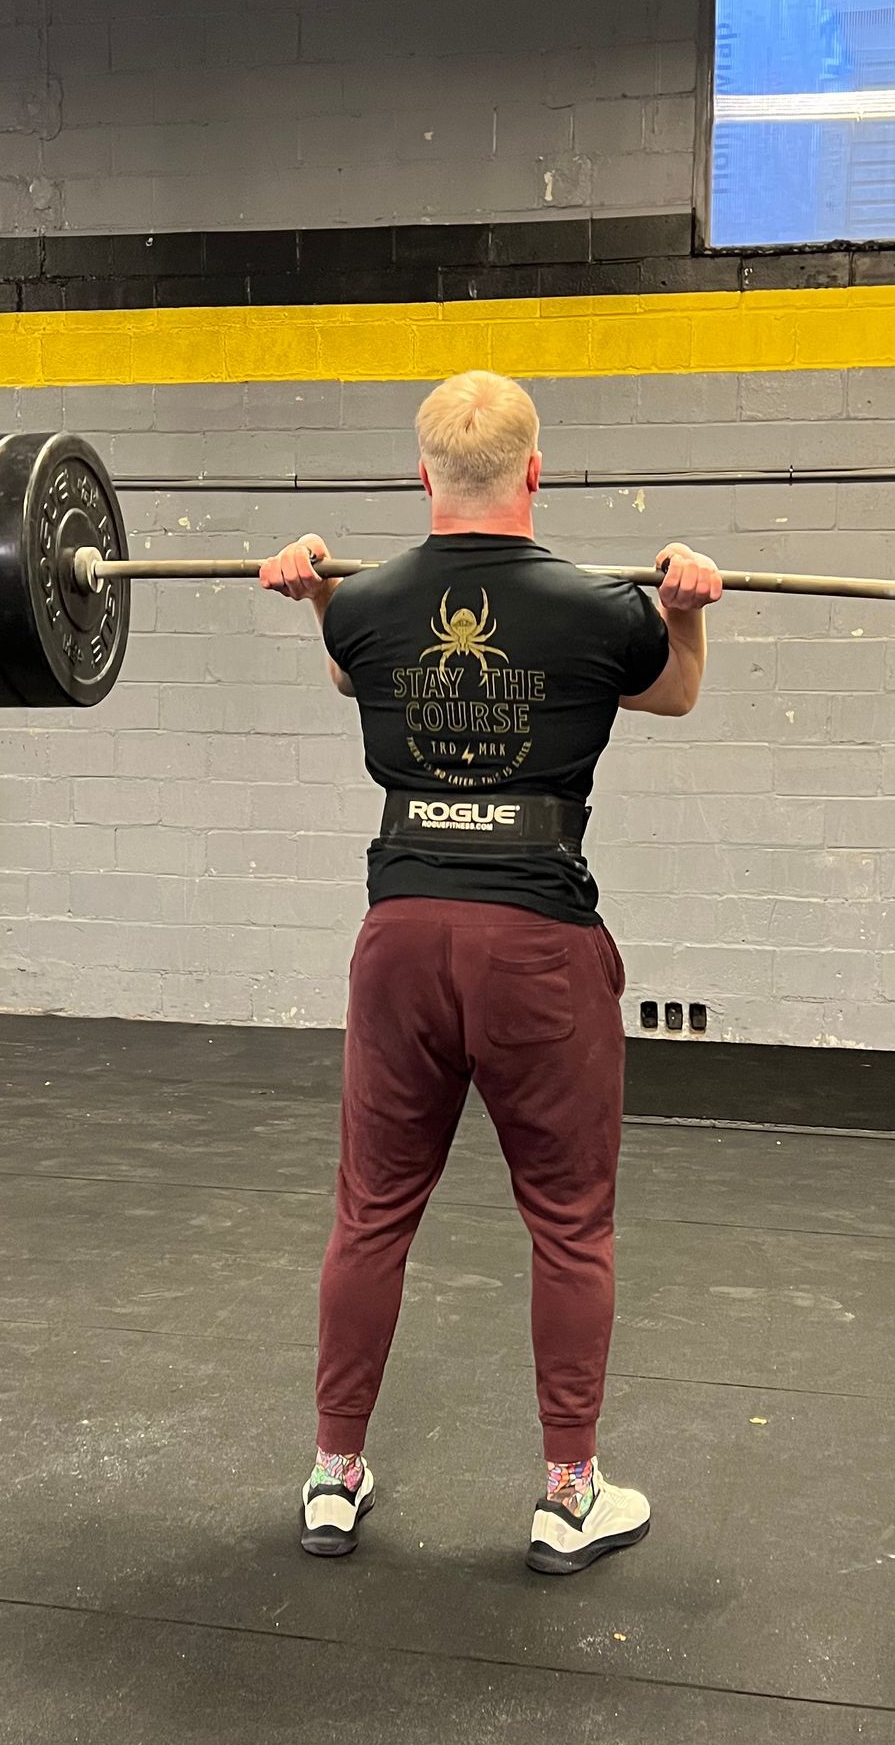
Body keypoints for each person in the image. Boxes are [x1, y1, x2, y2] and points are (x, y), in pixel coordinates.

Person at [260, 370, 722, 1572]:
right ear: (535, 471)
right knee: (569, 1223)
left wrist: (319, 589)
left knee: (371, 1212)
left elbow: (354, 671)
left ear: (422, 475)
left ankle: (331, 1475)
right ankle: (569, 1493)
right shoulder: (599, 607)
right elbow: (677, 693)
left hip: (403, 936)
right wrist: (684, 605)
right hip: (537, 943)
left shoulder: (369, 604)